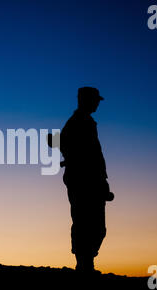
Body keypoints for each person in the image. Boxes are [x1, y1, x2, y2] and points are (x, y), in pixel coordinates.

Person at [59, 87, 114, 273]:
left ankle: (86, 263)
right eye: (95, 100)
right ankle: (84, 265)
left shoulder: (86, 122)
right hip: (82, 180)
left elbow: (94, 154)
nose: (98, 103)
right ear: (86, 100)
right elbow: (64, 144)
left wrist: (102, 180)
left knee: (96, 226)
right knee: (85, 222)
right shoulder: (77, 122)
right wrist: (76, 162)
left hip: (93, 180)